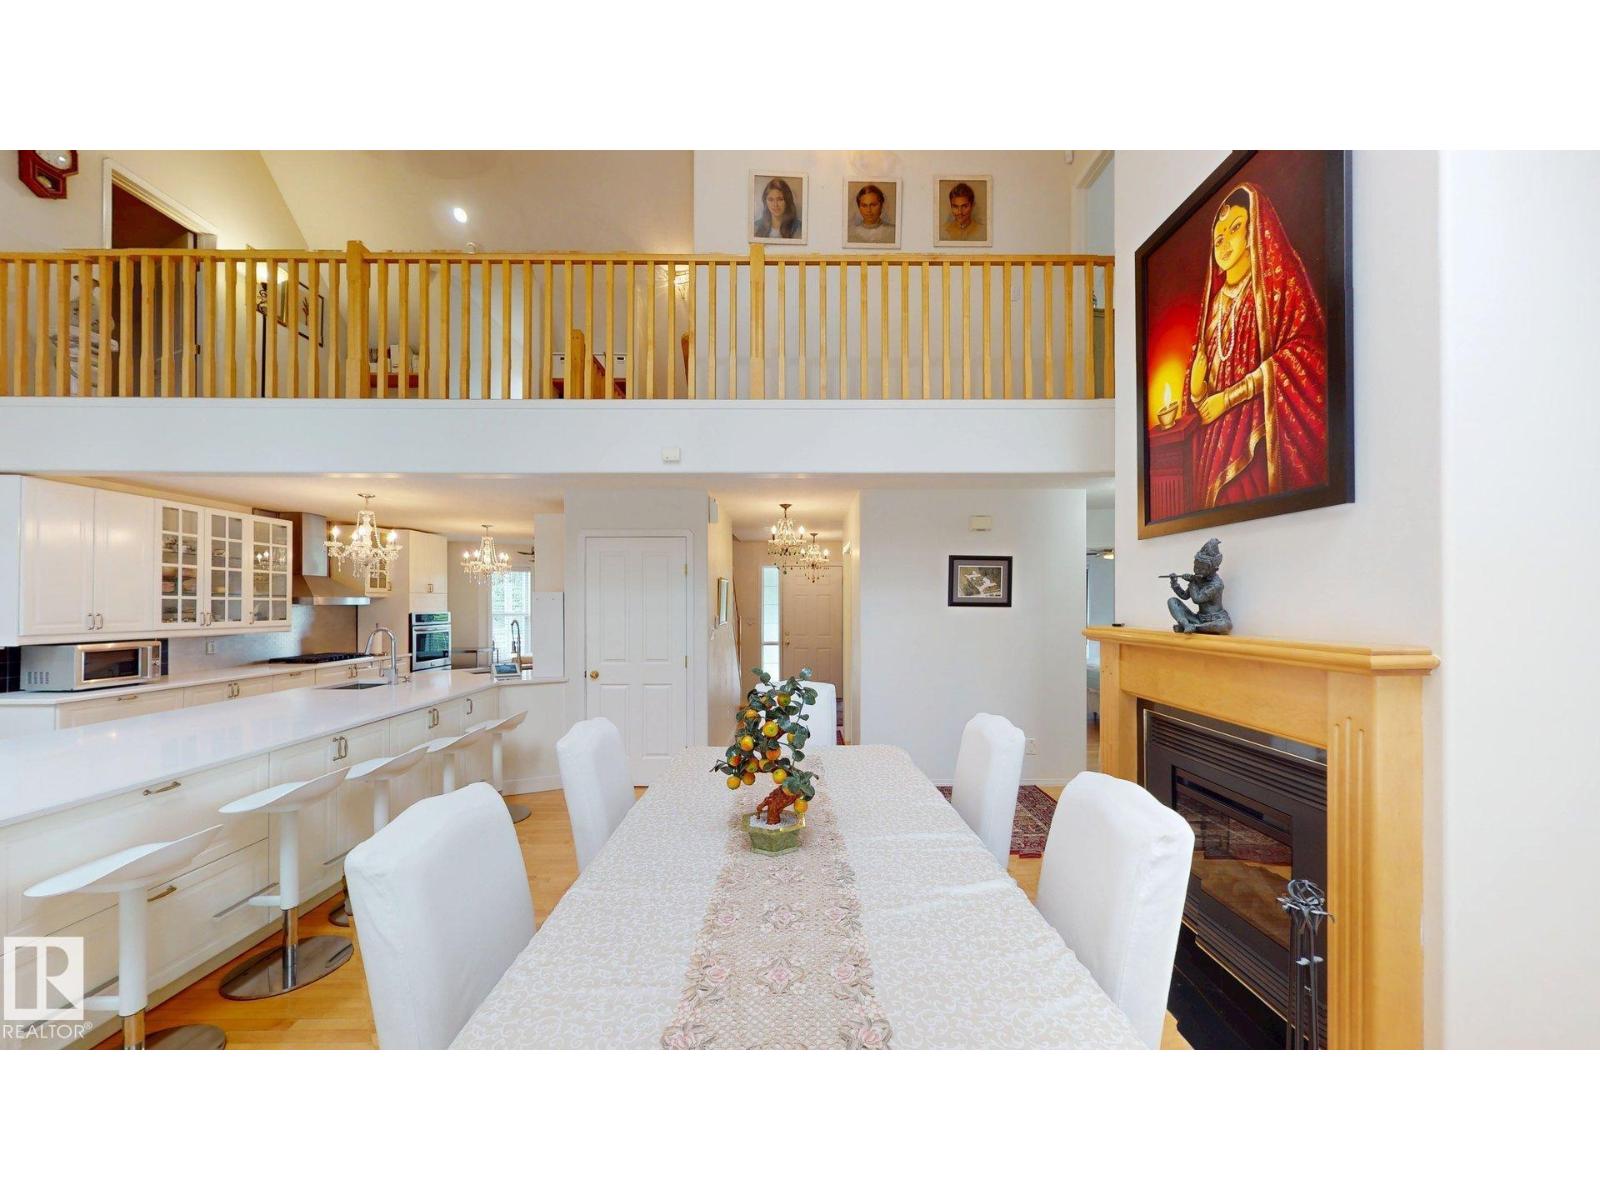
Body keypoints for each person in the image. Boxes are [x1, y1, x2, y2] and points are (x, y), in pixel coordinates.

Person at [1184, 184, 1328, 508]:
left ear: (1254, 232)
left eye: (1235, 228)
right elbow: (1206, 385)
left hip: (1258, 430)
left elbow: (1304, 352)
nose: (1224, 243)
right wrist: (1197, 392)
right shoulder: (1215, 306)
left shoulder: (1277, 285)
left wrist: (1228, 399)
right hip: (1217, 442)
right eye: (1218, 239)